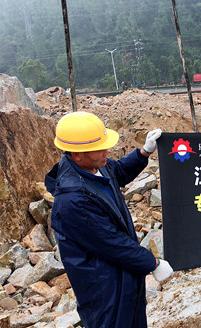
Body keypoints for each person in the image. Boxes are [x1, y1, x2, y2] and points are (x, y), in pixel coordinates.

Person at [45, 111, 173, 328]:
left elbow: (119, 171)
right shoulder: (73, 200)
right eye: (101, 147)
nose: (107, 151)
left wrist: (143, 153)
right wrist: (152, 263)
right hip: (104, 289)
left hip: (122, 274)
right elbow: (110, 243)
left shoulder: (94, 165)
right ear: (77, 155)